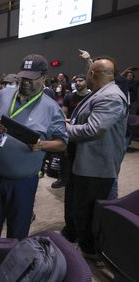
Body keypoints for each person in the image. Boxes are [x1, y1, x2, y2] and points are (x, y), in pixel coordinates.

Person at [0, 54, 68, 240]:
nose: (25, 83)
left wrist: (41, 145)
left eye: (31, 79)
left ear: (43, 77)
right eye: (23, 78)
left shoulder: (52, 108)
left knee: (17, 229)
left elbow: (61, 143)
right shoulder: (2, 95)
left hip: (23, 182)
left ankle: (13, 267)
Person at [65, 57, 128, 258]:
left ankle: (90, 251)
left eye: (88, 73)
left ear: (92, 74)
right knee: (79, 207)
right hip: (86, 162)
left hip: (96, 165)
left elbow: (94, 129)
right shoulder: (103, 93)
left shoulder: (110, 96)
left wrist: (66, 128)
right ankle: (83, 242)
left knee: (88, 211)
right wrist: (72, 121)